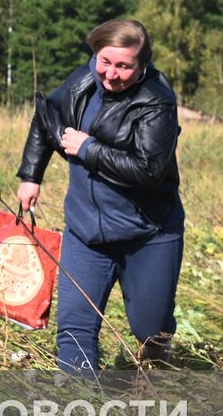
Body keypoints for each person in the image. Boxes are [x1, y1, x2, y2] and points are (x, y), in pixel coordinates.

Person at [15, 20, 184, 377]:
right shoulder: (83, 80)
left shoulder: (157, 102)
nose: (111, 74)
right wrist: (31, 175)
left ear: (142, 65)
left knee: (150, 332)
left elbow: (149, 169)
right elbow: (47, 116)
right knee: (74, 329)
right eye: (105, 61)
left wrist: (88, 149)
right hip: (85, 233)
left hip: (148, 234)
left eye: (124, 66)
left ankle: (158, 385)